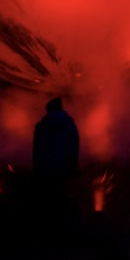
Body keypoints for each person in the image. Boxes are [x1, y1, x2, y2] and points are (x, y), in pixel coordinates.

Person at [31, 96, 79, 232]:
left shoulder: (41, 126)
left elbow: (37, 147)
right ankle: (61, 227)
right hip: (61, 166)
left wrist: (36, 165)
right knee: (59, 193)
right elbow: (73, 145)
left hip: (44, 167)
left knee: (46, 197)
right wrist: (73, 165)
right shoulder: (69, 125)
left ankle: (47, 228)